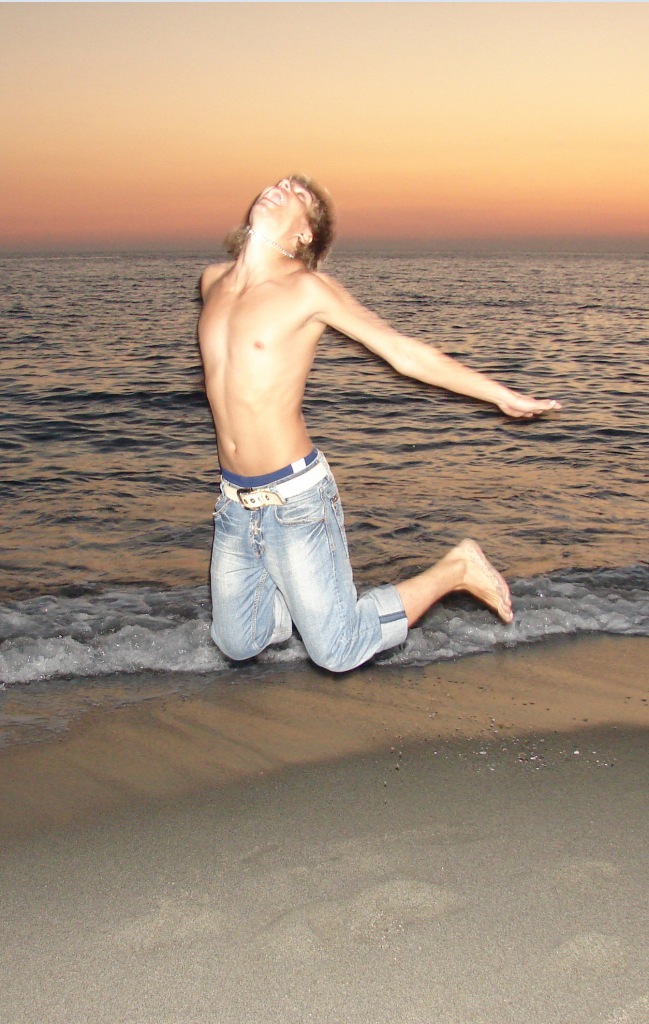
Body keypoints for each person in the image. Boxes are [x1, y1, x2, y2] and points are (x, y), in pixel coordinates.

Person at [198, 175, 561, 673]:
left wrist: (499, 394)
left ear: (304, 234)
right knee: (237, 641)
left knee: (338, 650)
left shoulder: (308, 289)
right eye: (281, 182)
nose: (282, 185)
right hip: (234, 503)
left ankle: (456, 568)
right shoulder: (213, 281)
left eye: (299, 194)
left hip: (295, 500)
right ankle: (293, 599)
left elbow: (402, 352)